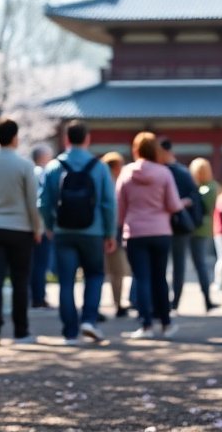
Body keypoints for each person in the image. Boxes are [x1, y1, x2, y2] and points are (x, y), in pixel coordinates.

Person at [38, 120, 117, 345]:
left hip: (63, 231)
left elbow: (43, 202)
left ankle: (69, 333)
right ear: (87, 139)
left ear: (66, 139)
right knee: (95, 275)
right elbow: (109, 203)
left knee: (66, 281)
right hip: (93, 231)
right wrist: (110, 233)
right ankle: (89, 320)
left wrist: (50, 226)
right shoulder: (99, 167)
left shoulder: (54, 167)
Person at [0, 119, 44, 345]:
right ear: (15, 137)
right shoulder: (25, 165)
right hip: (21, 229)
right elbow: (32, 202)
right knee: (20, 281)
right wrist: (37, 228)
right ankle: (21, 332)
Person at [116, 131, 184, 339]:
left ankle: (145, 325)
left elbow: (120, 207)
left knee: (141, 278)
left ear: (136, 149)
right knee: (160, 278)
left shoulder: (127, 172)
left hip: (135, 232)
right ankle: (166, 323)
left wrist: (120, 227)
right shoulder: (164, 173)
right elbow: (173, 205)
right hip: (160, 231)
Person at [158, 137, 212, 312]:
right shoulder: (183, 173)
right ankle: (176, 301)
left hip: (162, 225)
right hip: (182, 226)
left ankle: (166, 302)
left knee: (162, 265)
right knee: (179, 265)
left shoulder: (161, 172)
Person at [183, 156, 220, 311]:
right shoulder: (212, 187)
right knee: (200, 264)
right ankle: (207, 298)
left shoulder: (202, 188)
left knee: (197, 264)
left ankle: (206, 298)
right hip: (202, 228)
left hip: (194, 227)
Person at [100, 151, 131, 317]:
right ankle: (118, 303)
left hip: (97, 230)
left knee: (100, 272)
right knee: (117, 271)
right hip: (113, 231)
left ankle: (96, 306)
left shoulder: (99, 180)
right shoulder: (113, 183)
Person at [28, 143, 56, 309]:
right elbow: (42, 203)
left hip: (27, 225)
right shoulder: (42, 173)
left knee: (31, 263)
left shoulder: (28, 171)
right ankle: (38, 298)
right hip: (41, 226)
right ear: (43, 157)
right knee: (40, 263)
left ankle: (32, 296)